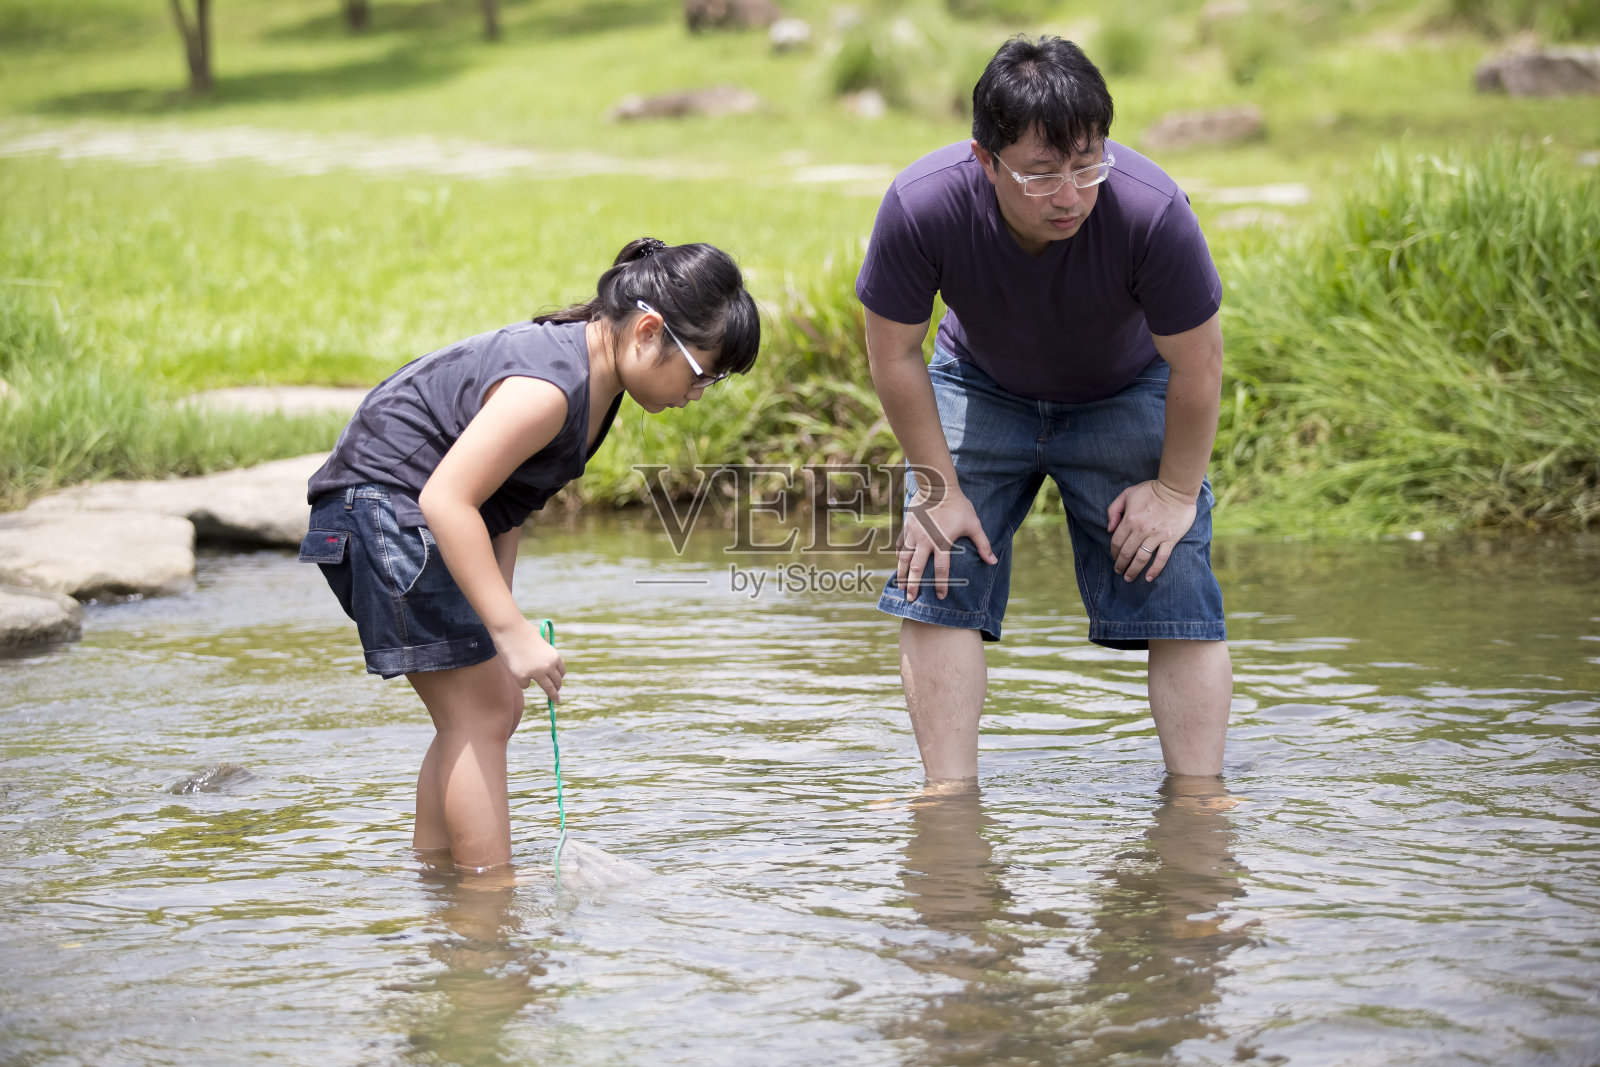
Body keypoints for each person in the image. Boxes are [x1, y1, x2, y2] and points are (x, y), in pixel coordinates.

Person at [300, 238, 759, 871]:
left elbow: (504, 504)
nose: (698, 393)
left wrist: (501, 619)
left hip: (387, 514)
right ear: (649, 331)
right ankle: (488, 915)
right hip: (381, 511)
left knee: (493, 706)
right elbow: (447, 500)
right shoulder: (550, 389)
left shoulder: (596, 384)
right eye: (701, 372)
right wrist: (508, 631)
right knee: (483, 712)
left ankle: (439, 881)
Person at [856, 35, 1232, 791]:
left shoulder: (1150, 212)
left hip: (1125, 388)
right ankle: (948, 799)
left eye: (1087, 164)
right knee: (939, 567)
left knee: (1176, 579)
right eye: (1041, 173)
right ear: (984, 157)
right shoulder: (923, 202)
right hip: (979, 381)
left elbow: (1200, 362)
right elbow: (895, 351)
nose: (1070, 194)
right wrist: (936, 487)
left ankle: (1198, 803)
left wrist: (1174, 495)